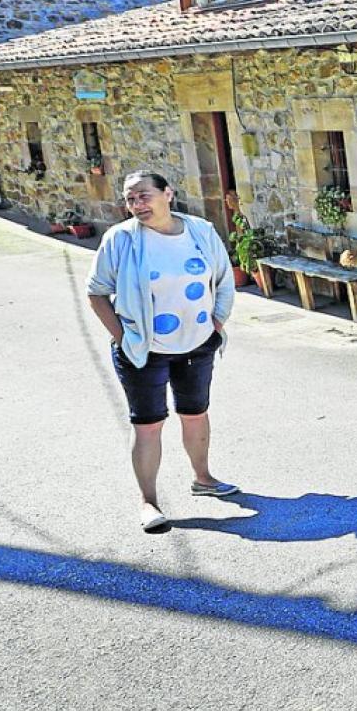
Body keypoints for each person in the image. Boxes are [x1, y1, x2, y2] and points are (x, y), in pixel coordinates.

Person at [86, 170, 240, 533]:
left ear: (168, 194)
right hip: (144, 350)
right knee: (148, 425)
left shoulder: (200, 231)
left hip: (198, 344)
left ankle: (203, 479)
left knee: (195, 413)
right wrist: (124, 338)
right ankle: (149, 502)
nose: (137, 204)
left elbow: (223, 280)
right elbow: (97, 292)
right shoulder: (120, 239)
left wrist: (215, 324)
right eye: (130, 199)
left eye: (144, 195)